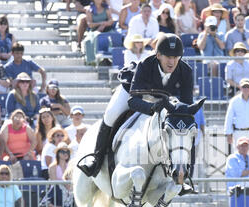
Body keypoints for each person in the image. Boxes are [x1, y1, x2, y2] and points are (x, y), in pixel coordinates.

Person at [77, 33, 196, 194]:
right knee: (111, 115)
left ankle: (186, 177)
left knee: (188, 129)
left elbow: (185, 107)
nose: (172, 61)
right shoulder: (145, 65)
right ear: (158, 55)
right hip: (132, 93)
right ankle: (96, 160)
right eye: (168, 56)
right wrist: (152, 108)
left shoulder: (185, 71)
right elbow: (133, 101)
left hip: (163, 101)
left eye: (176, 57)